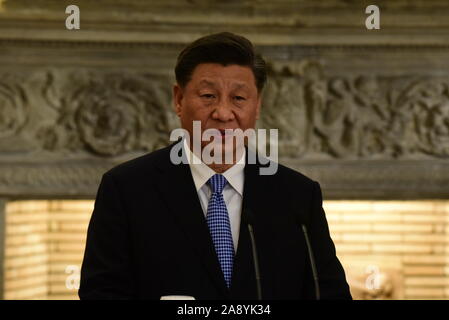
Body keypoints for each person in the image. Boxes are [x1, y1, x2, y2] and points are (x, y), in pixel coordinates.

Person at [78, 32, 351, 300]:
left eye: (239, 98)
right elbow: (101, 292)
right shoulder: (126, 189)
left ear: (257, 106)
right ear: (179, 99)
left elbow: (329, 294)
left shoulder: (298, 195)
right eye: (208, 95)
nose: (222, 113)